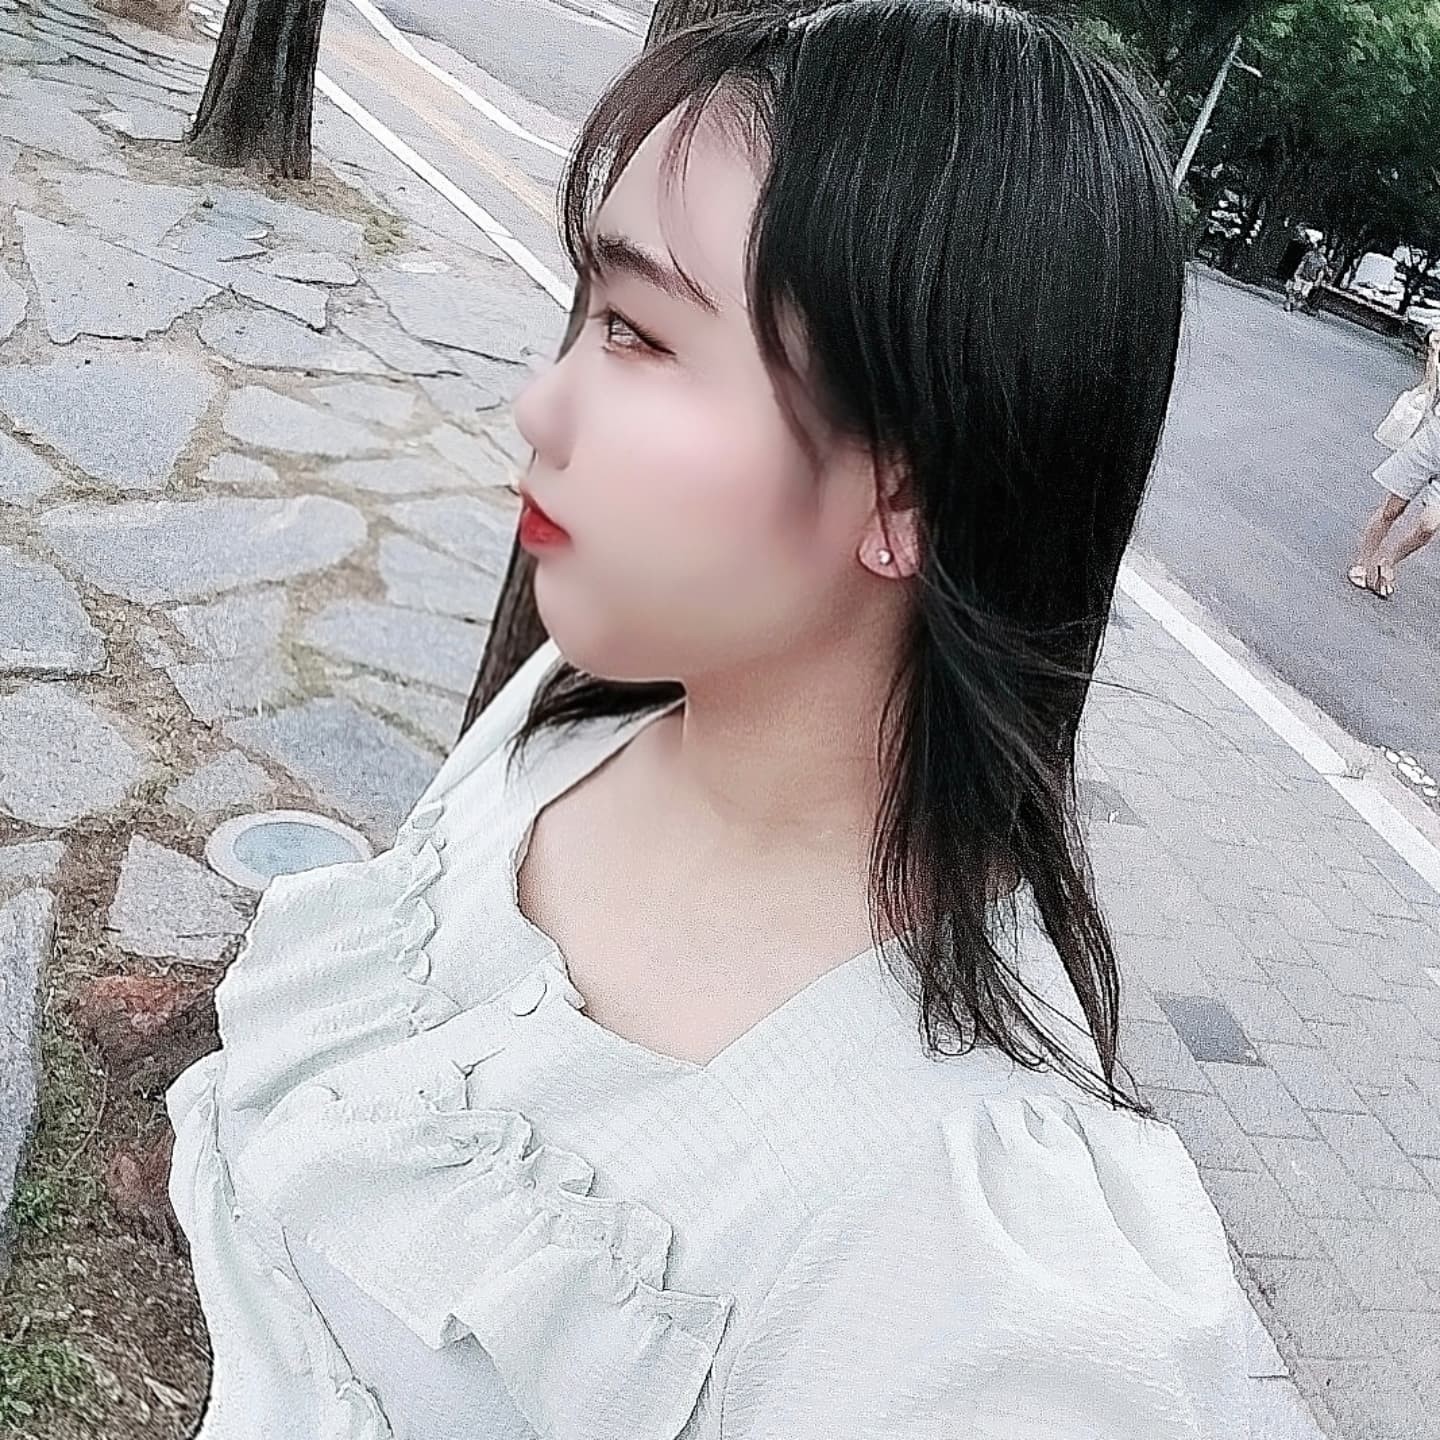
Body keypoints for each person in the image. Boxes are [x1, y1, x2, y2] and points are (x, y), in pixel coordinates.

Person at [166, 4, 1253, 1437]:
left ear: (904, 487)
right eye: (587, 314)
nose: (541, 405)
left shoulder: (982, 1286)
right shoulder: (570, 728)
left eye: (637, 332)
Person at [1350, 326, 1440, 599]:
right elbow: (1433, 335)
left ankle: (1387, 562)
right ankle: (1364, 561)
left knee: (1428, 526)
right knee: (1392, 509)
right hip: (1433, 439)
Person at [1284, 243, 1327, 314]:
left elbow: (1321, 272)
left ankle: (1294, 306)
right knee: (1295, 292)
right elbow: (1302, 264)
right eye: (1322, 248)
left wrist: (1317, 281)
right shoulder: (1309, 254)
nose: (1323, 250)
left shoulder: (1323, 261)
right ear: (1318, 248)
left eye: (1324, 249)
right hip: (1302, 276)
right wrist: (1296, 273)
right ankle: (1289, 305)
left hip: (1310, 280)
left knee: (1303, 295)